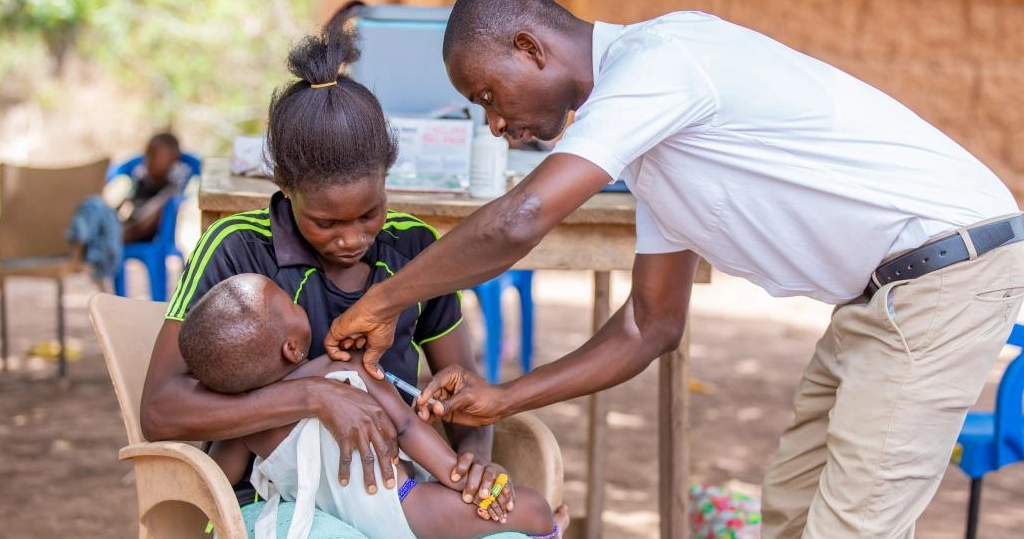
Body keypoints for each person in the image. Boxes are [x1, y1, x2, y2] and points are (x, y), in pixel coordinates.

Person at [323, 1, 1024, 538]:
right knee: (789, 510)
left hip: (943, 271)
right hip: (881, 294)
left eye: (486, 95)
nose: (494, 125)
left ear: (530, 47)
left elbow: (520, 218)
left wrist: (383, 301)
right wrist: (507, 396)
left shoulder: (660, 60)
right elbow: (648, 324)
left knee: (852, 524)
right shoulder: (652, 147)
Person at [139, 13, 503, 535]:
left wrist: (473, 457)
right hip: (274, 498)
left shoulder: (415, 247)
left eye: (369, 214)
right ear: (285, 186)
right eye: (325, 222)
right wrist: (318, 394)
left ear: (387, 178)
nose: (352, 238)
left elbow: (464, 391)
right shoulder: (239, 250)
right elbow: (161, 411)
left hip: (397, 489)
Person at [178, 273, 565, 539]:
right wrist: (460, 481)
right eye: (290, 304)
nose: (298, 302)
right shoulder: (343, 368)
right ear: (292, 349)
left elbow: (218, 480)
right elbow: (407, 428)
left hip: (336, 517)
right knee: (534, 508)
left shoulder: (247, 424)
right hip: (404, 506)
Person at [106, 132, 191, 243]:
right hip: (127, 225)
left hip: (142, 233)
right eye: (147, 153)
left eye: (154, 154)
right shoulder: (142, 179)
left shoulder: (171, 189)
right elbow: (126, 202)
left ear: (172, 159)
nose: (147, 159)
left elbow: (140, 226)